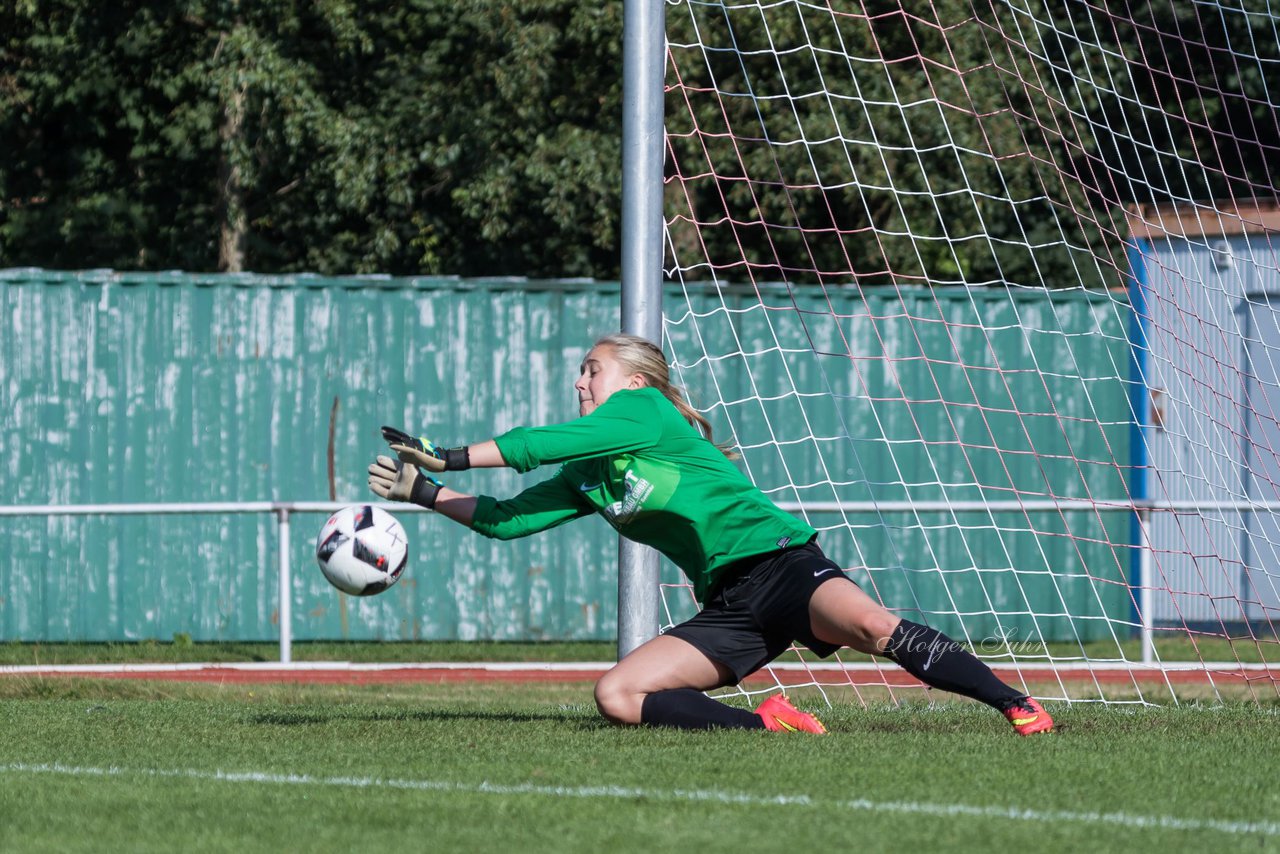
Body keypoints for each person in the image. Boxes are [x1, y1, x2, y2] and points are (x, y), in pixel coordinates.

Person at [368, 333, 1054, 736]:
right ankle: (766, 724)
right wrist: (426, 493)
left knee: (876, 627)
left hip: (781, 563)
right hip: (728, 605)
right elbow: (506, 519)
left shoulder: (642, 411)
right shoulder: (587, 471)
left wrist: (449, 454)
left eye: (592, 369)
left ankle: (1015, 704)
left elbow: (539, 443)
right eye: (580, 372)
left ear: (634, 380)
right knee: (616, 696)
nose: (580, 380)